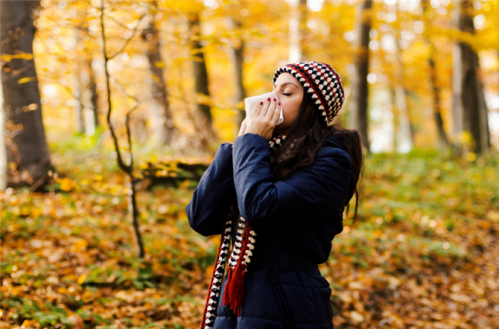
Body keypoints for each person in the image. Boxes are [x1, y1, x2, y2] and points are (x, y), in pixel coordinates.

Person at [186, 61, 363, 329]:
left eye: (286, 93)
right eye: (273, 90)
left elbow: (261, 208)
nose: (271, 99)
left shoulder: (331, 161)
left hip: (288, 303)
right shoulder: (261, 153)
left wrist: (251, 145)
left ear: (314, 106)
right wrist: (239, 144)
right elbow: (201, 218)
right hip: (236, 299)